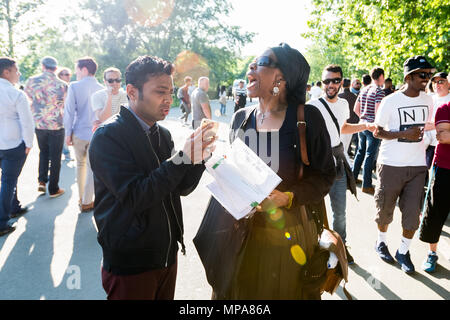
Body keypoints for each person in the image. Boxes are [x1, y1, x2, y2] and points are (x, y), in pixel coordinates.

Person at [206, 43, 336, 299]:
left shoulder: (307, 118)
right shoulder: (241, 117)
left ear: (282, 77)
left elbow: (325, 176)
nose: (251, 67)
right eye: (251, 63)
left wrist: (288, 197)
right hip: (239, 234)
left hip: (287, 240)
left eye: (261, 62)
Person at [89, 55, 216, 300]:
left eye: (171, 91)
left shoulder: (162, 133)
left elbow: (180, 187)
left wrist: (198, 157)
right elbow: (137, 196)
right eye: (160, 92)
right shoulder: (108, 136)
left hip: (166, 254)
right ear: (132, 91)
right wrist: (181, 158)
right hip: (131, 262)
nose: (168, 99)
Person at [373, 55, 435, 274]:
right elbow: (378, 131)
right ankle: (381, 242)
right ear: (409, 76)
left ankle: (403, 251)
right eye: (422, 74)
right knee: (384, 211)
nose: (427, 78)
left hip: (418, 166)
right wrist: (404, 134)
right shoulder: (391, 101)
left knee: (412, 215)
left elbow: (427, 127)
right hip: (391, 164)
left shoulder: (428, 100)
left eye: (429, 74)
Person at [309, 65, 374, 264]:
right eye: (326, 81)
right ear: (321, 83)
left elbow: (342, 127)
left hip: (338, 161)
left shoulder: (344, 103)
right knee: (314, 212)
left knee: (340, 212)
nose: (331, 85)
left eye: (335, 80)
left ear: (341, 82)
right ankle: (313, 247)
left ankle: (340, 247)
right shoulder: (312, 106)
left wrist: (365, 125)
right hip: (318, 165)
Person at [0, 57, 34, 236]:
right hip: (12, 144)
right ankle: (2, 222)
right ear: (7, 72)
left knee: (8, 179)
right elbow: (27, 122)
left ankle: (14, 206)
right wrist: (29, 143)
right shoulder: (16, 94)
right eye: (16, 70)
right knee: (8, 180)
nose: (19, 73)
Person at [64, 57, 103, 212]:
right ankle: (90, 200)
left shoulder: (74, 86)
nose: (75, 72)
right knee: (93, 168)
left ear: (84, 69)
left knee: (80, 166)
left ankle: (82, 199)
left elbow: (69, 112)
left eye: (77, 69)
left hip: (79, 132)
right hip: (97, 134)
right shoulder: (102, 87)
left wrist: (68, 133)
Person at [25, 56, 67, 198]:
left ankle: (41, 181)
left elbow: (28, 98)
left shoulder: (31, 81)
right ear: (56, 68)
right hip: (56, 124)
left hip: (40, 123)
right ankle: (54, 189)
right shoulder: (62, 84)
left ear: (43, 66)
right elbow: (66, 105)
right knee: (56, 157)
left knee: (43, 152)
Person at [419, 100, 450, 272]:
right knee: (435, 213)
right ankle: (432, 254)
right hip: (444, 168)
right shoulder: (444, 109)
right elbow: (444, 137)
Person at [353, 67, 385, 195]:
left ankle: (353, 177)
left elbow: (356, 108)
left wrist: (363, 118)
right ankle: (366, 184)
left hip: (362, 125)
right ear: (381, 76)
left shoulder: (364, 90)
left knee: (360, 152)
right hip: (372, 126)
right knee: (370, 154)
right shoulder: (379, 91)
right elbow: (378, 112)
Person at [424, 72, 450, 169]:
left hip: (441, 145)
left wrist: (433, 124)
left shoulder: (449, 100)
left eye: (440, 82)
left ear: (448, 83)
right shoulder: (429, 98)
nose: (436, 85)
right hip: (425, 144)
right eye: (434, 82)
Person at [338, 78, 360, 159]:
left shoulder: (339, 97)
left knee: (342, 147)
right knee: (346, 146)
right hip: (352, 124)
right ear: (350, 85)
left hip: (342, 125)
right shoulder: (354, 97)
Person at [57, 67, 74, 161]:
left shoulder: (71, 86)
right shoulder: (59, 87)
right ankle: (66, 154)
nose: (68, 76)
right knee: (63, 135)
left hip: (70, 114)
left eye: (69, 74)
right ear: (60, 75)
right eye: (66, 74)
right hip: (61, 114)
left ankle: (66, 153)